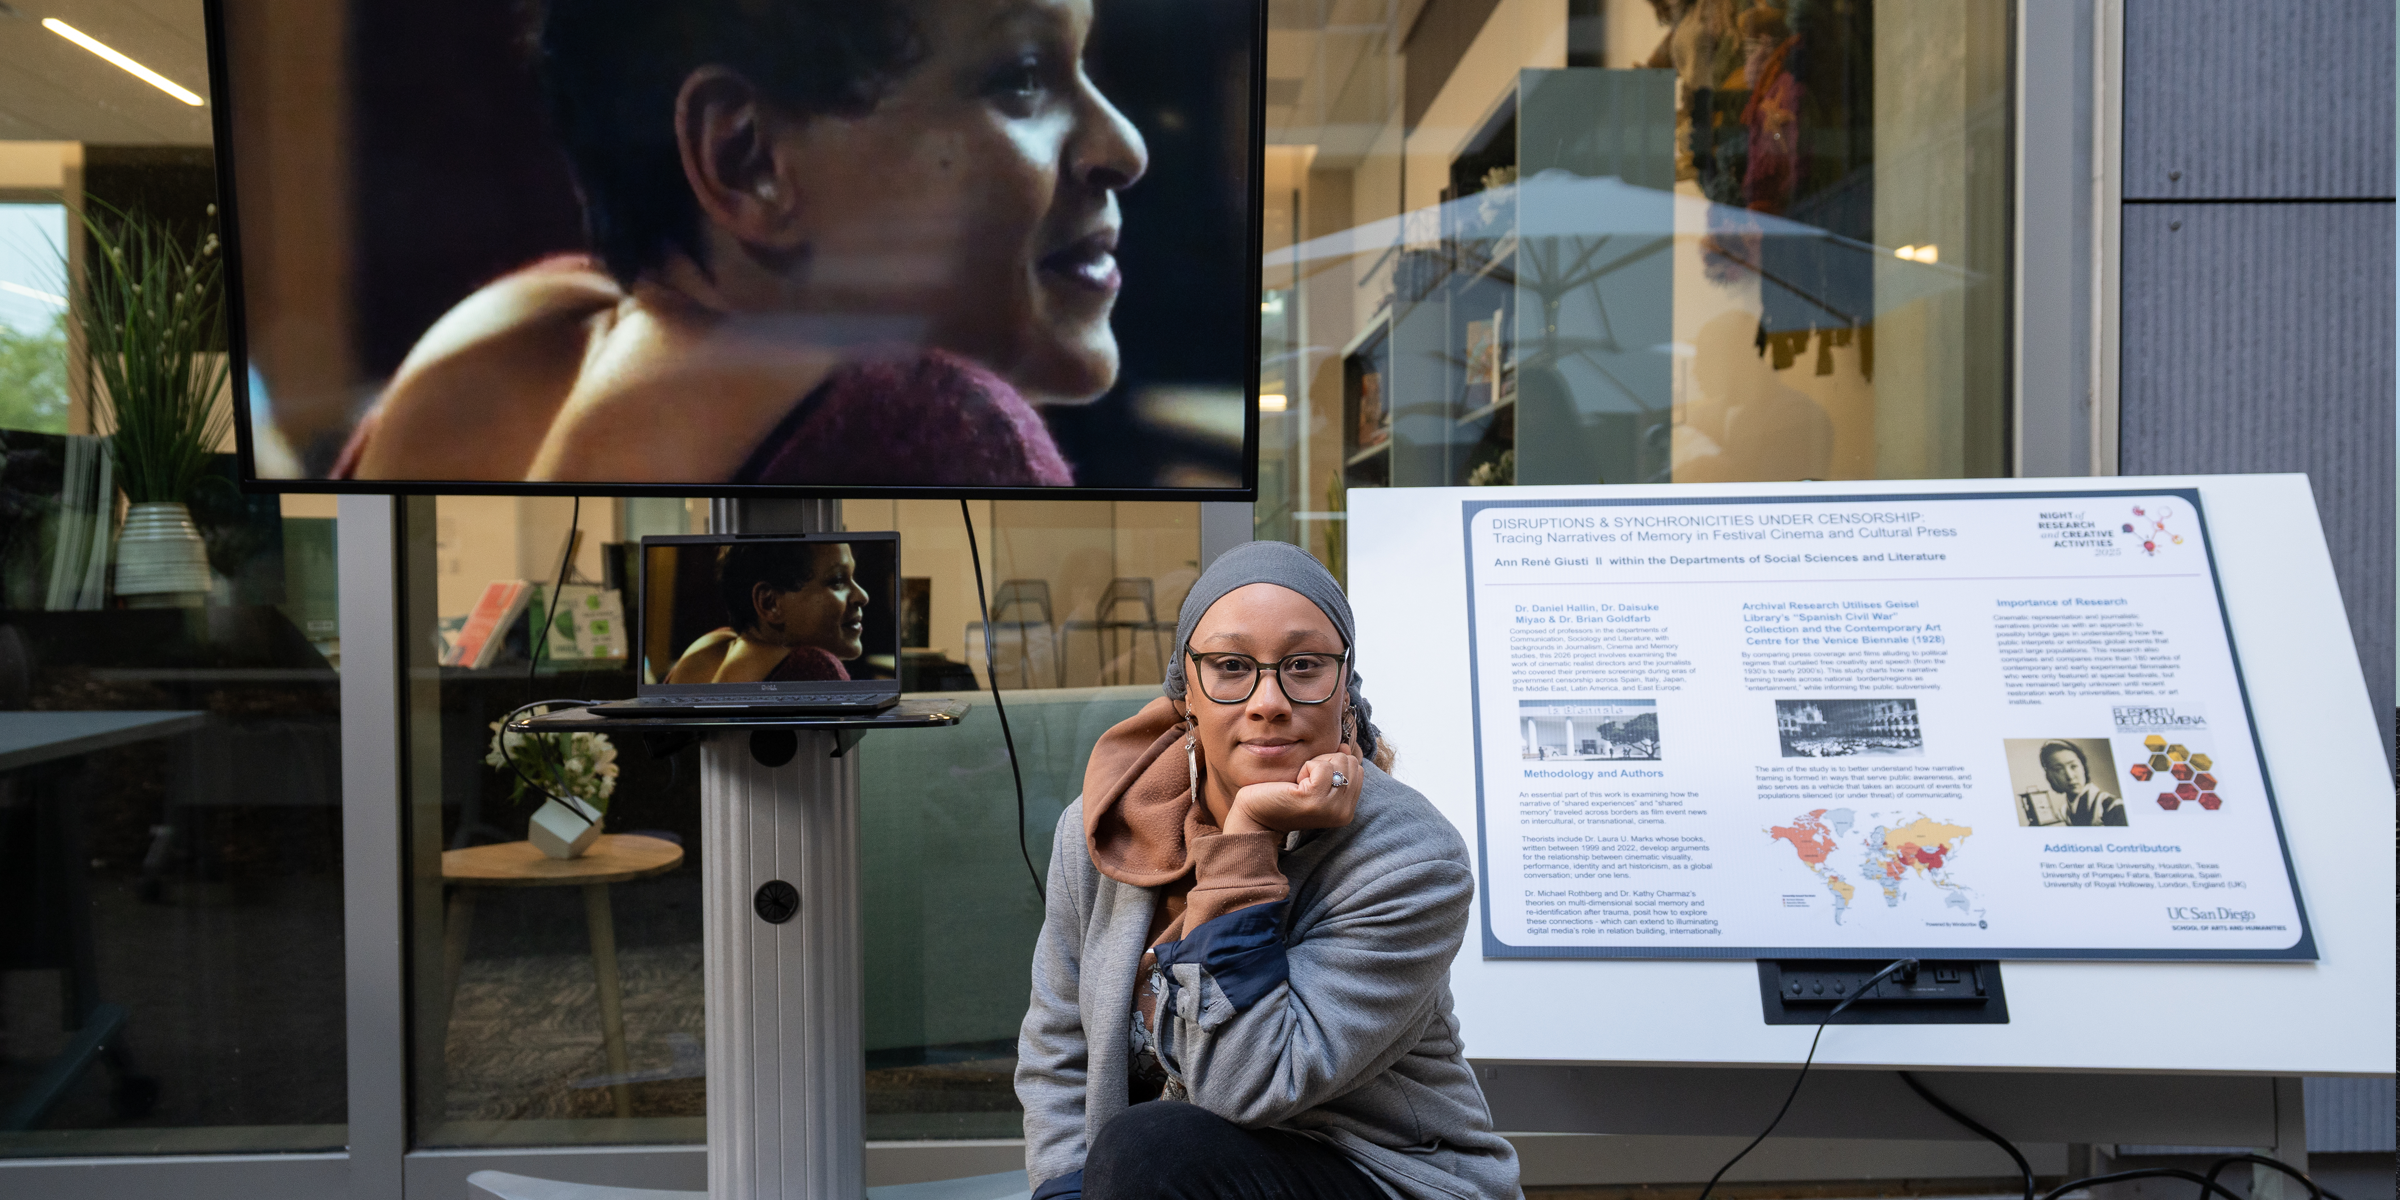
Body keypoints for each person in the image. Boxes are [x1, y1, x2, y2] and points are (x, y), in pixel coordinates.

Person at [336, 0, 1145, 486]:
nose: (1124, 146)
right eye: (1022, 76)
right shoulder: (942, 431)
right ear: (746, 158)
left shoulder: (500, 327)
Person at [1017, 542, 1519, 1200]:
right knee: (1142, 1155)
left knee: (1154, 1148)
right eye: (1231, 667)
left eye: (1303, 666)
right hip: (1181, 1178)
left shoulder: (1411, 859)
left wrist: (1247, 835)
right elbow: (1059, 1044)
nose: (1268, 700)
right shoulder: (1105, 828)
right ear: (1186, 690)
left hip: (1386, 1175)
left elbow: (1245, 1086)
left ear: (1345, 687)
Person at [666, 542, 867, 684]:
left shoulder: (708, 645)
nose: (862, 596)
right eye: (837, 580)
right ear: (770, 603)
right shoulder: (814, 667)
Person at [2027, 740, 2126, 827]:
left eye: (2073, 766)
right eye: (2058, 770)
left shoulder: (2111, 806)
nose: (2070, 776)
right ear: (2049, 775)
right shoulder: (2063, 814)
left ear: (2083, 767)